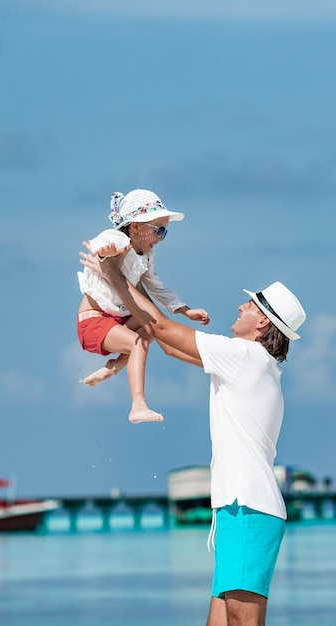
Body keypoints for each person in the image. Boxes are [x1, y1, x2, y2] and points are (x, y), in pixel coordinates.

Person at [79, 245, 306, 626]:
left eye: (249, 306)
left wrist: (114, 275)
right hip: (237, 508)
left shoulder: (246, 358)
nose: (239, 308)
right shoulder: (249, 363)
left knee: (242, 622)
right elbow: (166, 343)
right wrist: (124, 283)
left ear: (263, 323)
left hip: (249, 508)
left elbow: (165, 330)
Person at [77, 188, 209, 425]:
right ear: (135, 227)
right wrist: (104, 251)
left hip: (118, 317)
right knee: (137, 343)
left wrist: (185, 310)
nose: (161, 238)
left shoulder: (146, 257)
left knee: (152, 328)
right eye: (158, 230)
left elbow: (157, 288)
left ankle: (114, 367)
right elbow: (104, 240)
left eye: (165, 232)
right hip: (93, 320)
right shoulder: (120, 241)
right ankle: (138, 405)